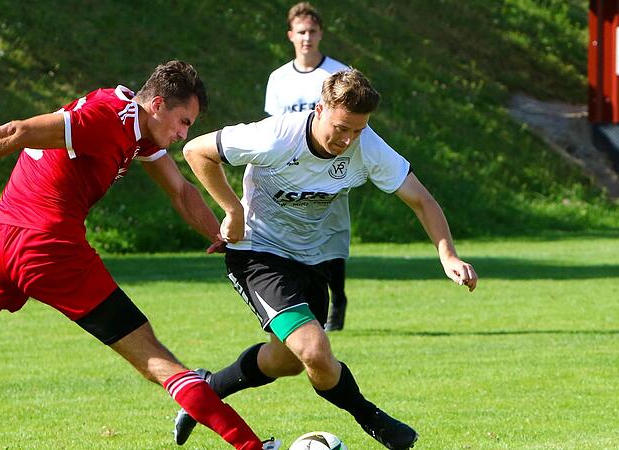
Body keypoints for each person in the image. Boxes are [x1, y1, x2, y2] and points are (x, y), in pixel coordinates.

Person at [0, 61, 280, 450]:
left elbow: (181, 192)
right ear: (157, 103)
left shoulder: (140, 133)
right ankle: (253, 447)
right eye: (183, 122)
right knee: (156, 358)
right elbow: (16, 131)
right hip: (48, 248)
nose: (183, 135)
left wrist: (225, 238)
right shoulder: (106, 114)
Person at [172, 68, 478, 449]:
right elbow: (196, 150)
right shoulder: (277, 136)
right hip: (258, 253)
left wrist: (447, 254)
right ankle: (375, 421)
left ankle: (205, 391)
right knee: (314, 350)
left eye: (358, 130)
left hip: (312, 259)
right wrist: (233, 211)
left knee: (287, 361)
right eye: (341, 127)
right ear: (320, 108)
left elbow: (421, 199)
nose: (348, 139)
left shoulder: (366, 147)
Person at [265, 1, 350, 331]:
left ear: (321, 34)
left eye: (313, 31)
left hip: (330, 166)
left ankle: (337, 298)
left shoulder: (338, 75)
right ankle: (298, 301)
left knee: (331, 236)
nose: (307, 37)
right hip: (291, 168)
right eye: (301, 32)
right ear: (290, 35)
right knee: (295, 234)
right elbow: (274, 127)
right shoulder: (279, 79)